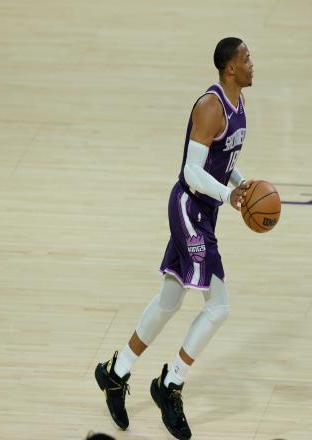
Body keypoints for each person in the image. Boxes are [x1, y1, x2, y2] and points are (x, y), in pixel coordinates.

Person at [95, 37, 254, 440]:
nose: (252, 63)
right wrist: (228, 195)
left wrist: (240, 182)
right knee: (219, 307)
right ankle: (171, 383)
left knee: (170, 299)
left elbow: (221, 161)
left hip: (205, 210)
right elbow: (191, 172)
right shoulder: (211, 106)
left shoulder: (239, 104)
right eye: (246, 58)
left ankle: (116, 373)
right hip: (190, 209)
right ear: (230, 68)